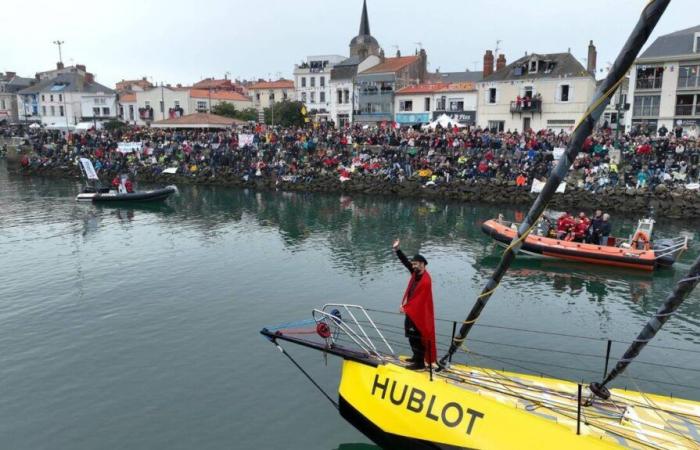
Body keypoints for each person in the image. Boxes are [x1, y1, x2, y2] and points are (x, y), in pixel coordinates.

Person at [392, 238, 436, 370]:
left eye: (416, 264)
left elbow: (419, 301)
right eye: (413, 264)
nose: (413, 266)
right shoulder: (415, 273)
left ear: (422, 264)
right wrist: (397, 249)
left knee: (417, 337)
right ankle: (416, 357)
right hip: (411, 312)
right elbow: (406, 263)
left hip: (419, 315)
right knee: (411, 336)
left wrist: (405, 307)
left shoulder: (426, 281)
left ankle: (420, 364)